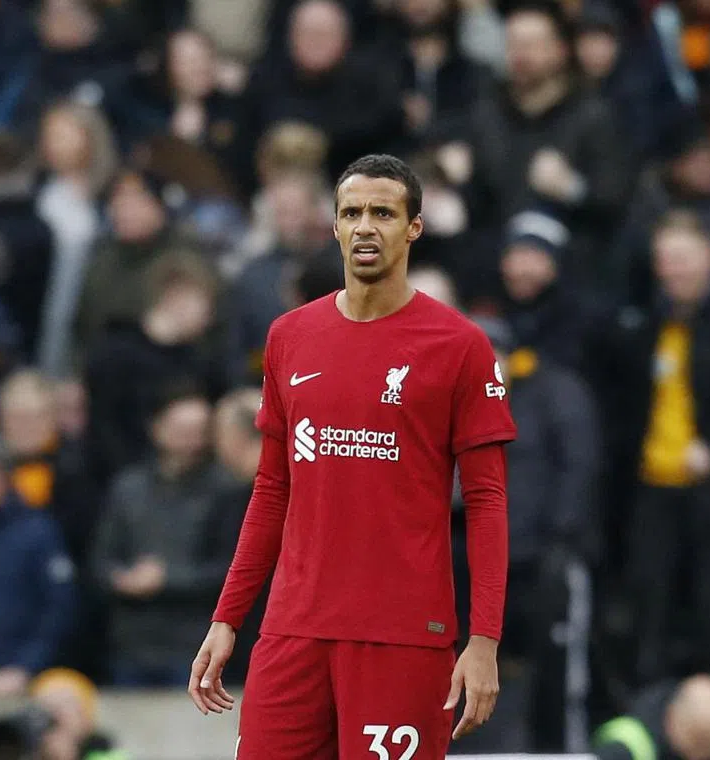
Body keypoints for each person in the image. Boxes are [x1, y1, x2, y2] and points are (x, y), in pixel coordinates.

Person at [188, 154, 517, 759]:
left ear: (413, 227)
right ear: (335, 227)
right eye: (351, 212)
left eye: (383, 213)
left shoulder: (461, 347)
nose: (366, 226)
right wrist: (228, 617)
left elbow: (488, 502)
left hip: (404, 638)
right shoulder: (290, 336)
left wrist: (485, 639)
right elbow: (271, 490)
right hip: (293, 629)